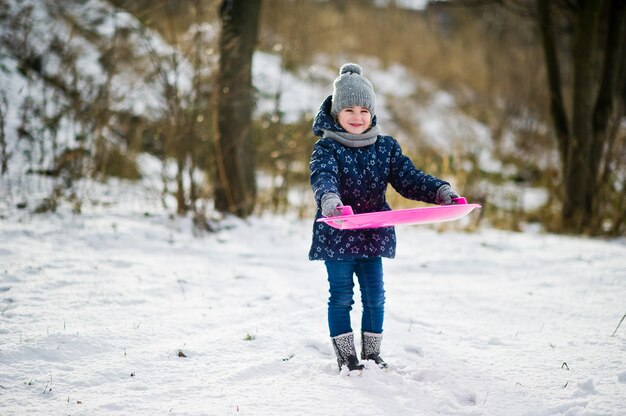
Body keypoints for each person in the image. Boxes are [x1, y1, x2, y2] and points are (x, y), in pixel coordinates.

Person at [309, 63, 459, 372]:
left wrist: (440, 192)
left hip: (372, 233)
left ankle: (372, 354)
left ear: (372, 113)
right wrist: (330, 201)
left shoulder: (385, 148)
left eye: (364, 110)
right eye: (348, 109)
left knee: (375, 296)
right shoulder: (326, 147)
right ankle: (346, 356)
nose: (357, 116)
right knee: (341, 296)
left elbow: (409, 178)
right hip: (338, 232)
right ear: (336, 113)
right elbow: (323, 178)